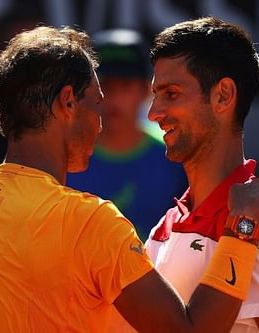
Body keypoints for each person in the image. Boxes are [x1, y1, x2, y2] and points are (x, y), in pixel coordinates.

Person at [0, 25, 259, 332]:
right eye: (97, 102)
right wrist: (243, 231)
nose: (102, 121)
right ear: (68, 103)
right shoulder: (89, 223)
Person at [128, 17, 259, 332]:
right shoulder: (166, 225)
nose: (154, 112)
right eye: (155, 94)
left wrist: (244, 228)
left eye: (171, 93)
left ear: (224, 95)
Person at [67, 28, 187, 241]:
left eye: (125, 86)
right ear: (89, 90)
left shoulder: (176, 156)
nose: (114, 98)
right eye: (106, 86)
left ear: (145, 89)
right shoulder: (64, 157)